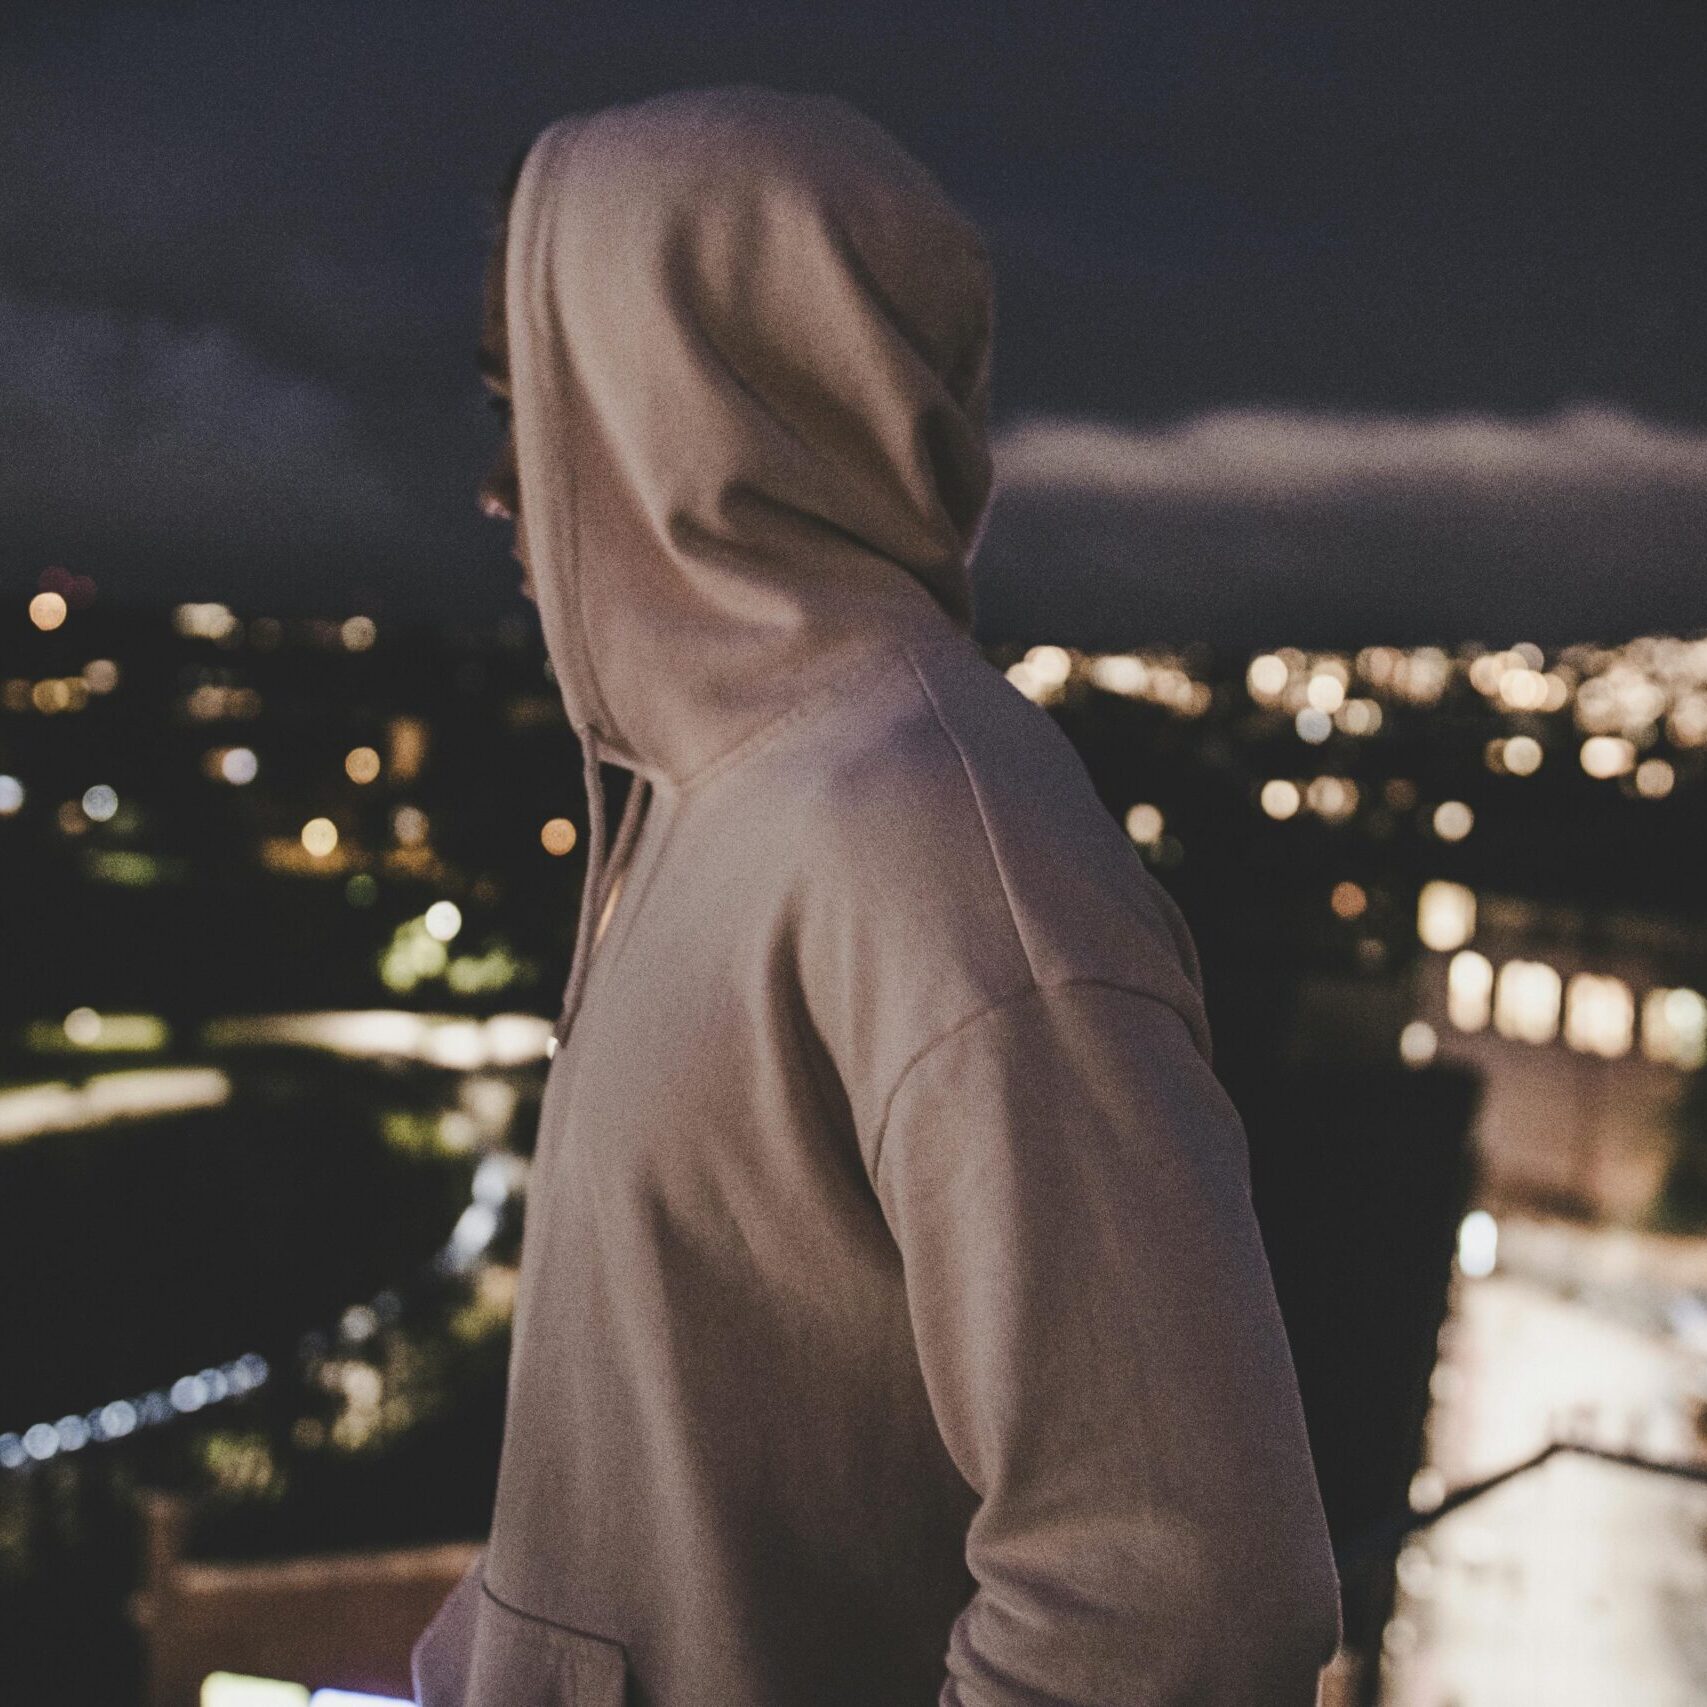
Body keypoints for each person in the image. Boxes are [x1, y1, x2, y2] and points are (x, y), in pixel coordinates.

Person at [412, 84, 1340, 1707]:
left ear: (691, 395)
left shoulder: (930, 846)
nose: (502, 482)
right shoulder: (729, 798)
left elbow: (1183, 1601)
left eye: (534, 398)